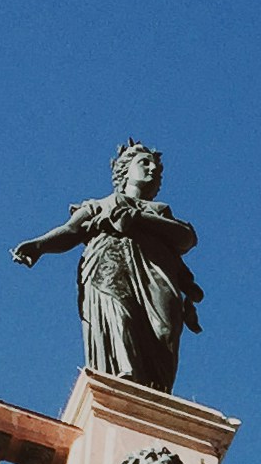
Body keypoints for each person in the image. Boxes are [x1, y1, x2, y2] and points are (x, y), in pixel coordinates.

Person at [14, 144, 205, 393]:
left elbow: (186, 239)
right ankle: (123, 378)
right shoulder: (101, 205)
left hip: (157, 272)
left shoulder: (162, 212)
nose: (153, 168)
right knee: (119, 317)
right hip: (109, 266)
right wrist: (39, 245)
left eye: (156, 167)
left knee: (165, 332)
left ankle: (156, 396)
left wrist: (137, 218)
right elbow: (71, 231)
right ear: (124, 171)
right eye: (144, 163)